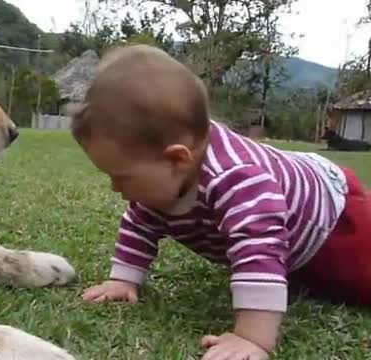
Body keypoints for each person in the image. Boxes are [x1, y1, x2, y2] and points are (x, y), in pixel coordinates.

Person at [70, 44, 371, 360]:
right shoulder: (160, 183)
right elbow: (140, 223)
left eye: (122, 176)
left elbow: (259, 247)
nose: (115, 188)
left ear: (176, 158)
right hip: (291, 230)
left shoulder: (237, 180)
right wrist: (122, 279)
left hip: (334, 219)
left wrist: (251, 337)